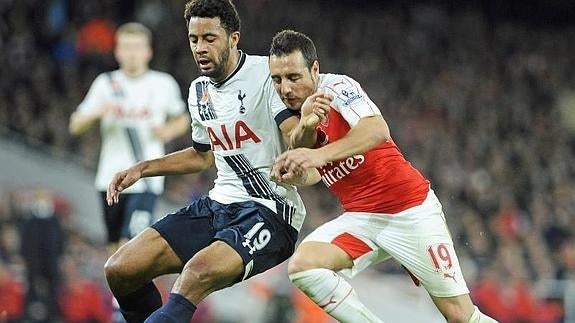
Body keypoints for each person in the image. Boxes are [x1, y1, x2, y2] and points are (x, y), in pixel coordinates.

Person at [269, 30, 498, 323]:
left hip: (410, 209)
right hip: (362, 218)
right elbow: (312, 173)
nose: (285, 88)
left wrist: (318, 154)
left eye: (293, 77)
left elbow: (377, 131)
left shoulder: (337, 87)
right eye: (277, 80)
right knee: (303, 265)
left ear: (314, 69)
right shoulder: (288, 113)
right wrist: (293, 173)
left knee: (461, 317)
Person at [104, 1, 308, 322]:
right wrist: (142, 169)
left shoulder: (266, 76)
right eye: (194, 39)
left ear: (233, 38)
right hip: (216, 206)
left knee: (194, 275)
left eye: (210, 38)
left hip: (269, 212)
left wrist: (306, 140)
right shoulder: (199, 90)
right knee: (120, 269)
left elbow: (294, 132)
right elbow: (202, 155)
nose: (200, 47)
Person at [69, 22, 190, 249]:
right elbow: (75, 125)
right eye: (126, 47)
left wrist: (168, 131)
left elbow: (182, 118)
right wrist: (97, 112)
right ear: (117, 51)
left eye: (137, 47)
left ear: (148, 51)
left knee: (131, 246)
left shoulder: (162, 84)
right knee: (114, 249)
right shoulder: (106, 84)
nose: (132, 53)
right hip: (109, 178)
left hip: (146, 179)